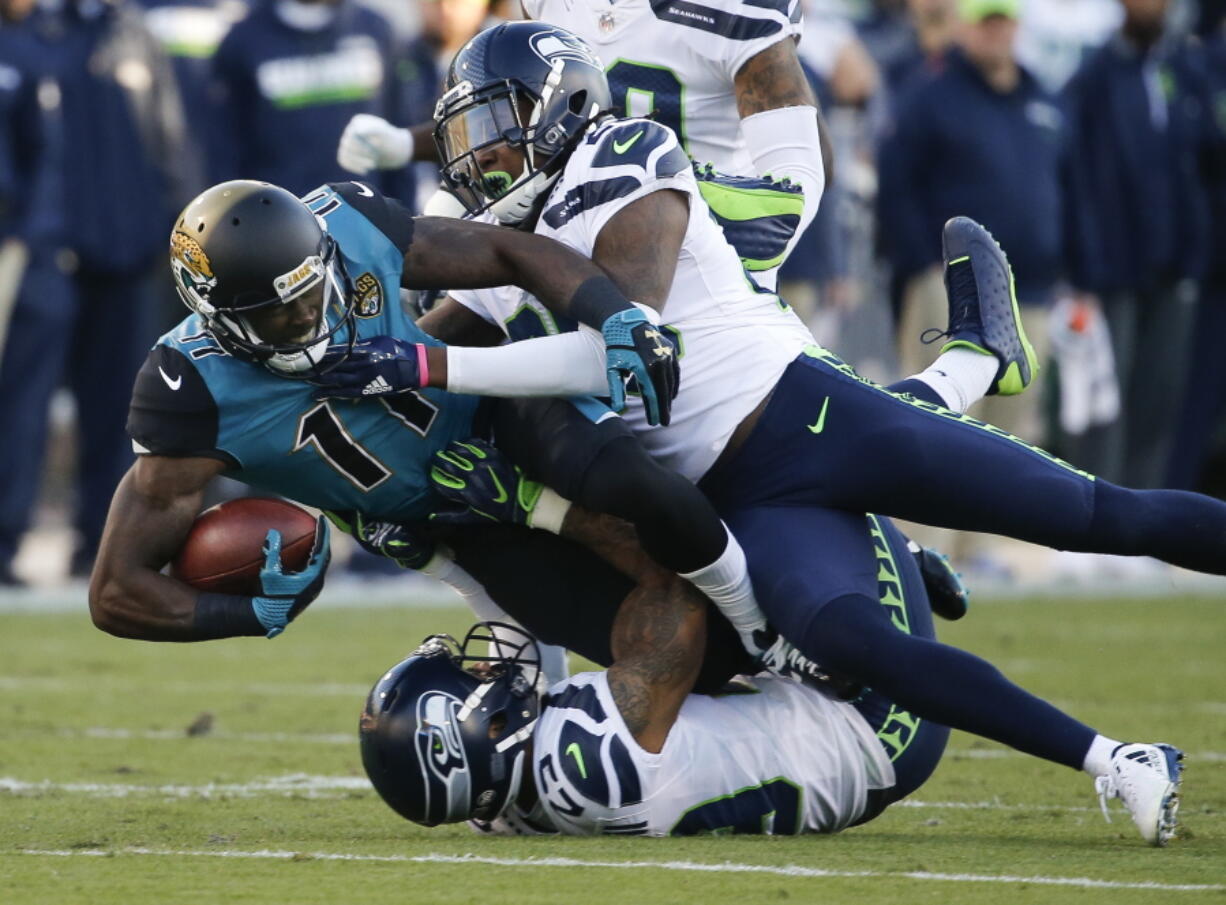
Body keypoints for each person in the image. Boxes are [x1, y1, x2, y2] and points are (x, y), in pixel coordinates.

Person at [324, 22, 1226, 786]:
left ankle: (973, 367)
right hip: (741, 499)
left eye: (496, 124)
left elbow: (615, 346)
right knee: (852, 645)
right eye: (469, 131)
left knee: (1092, 513)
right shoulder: (507, 236)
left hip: (815, 420)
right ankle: (1119, 762)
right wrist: (322, 346)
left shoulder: (627, 152)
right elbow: (438, 342)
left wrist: (420, 366)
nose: (480, 152)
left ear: (561, 110)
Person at [88, 176, 696, 643]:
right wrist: (250, 613)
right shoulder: (188, 387)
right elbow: (116, 591)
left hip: (497, 416)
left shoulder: (350, 228)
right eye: (276, 312)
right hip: (443, 519)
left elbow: (511, 252)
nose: (307, 318)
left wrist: (616, 314)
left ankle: (762, 617)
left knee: (637, 491)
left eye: (312, 290)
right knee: (607, 630)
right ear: (218, 320)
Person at [356, 509, 1184, 844]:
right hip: (876, 725)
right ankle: (955, 386)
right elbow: (676, 589)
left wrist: (437, 550)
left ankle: (884, 561)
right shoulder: (585, 751)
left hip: (808, 719)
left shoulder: (501, 802)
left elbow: (525, 629)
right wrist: (557, 503)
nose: (483, 667)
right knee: (786, 492)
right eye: (465, 680)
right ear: (470, 729)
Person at [335, 0, 829, 289]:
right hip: (555, 248)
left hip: (689, 262)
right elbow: (523, 118)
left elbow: (796, 182)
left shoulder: (737, 10)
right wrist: (406, 146)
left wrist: (699, 244)